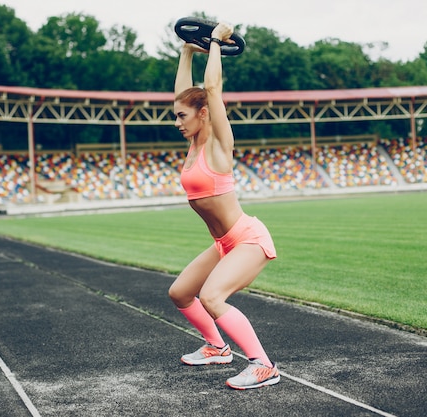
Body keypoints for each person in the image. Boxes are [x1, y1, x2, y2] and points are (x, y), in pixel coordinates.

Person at [168, 21, 280, 390]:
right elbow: (186, 93)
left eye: (182, 116)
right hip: (223, 244)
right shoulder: (193, 144)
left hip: (248, 239)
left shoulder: (218, 144)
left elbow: (211, 88)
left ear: (203, 114)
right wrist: (187, 50)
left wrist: (215, 42)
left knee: (212, 297)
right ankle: (217, 347)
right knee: (181, 293)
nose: (177, 122)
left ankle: (264, 365)